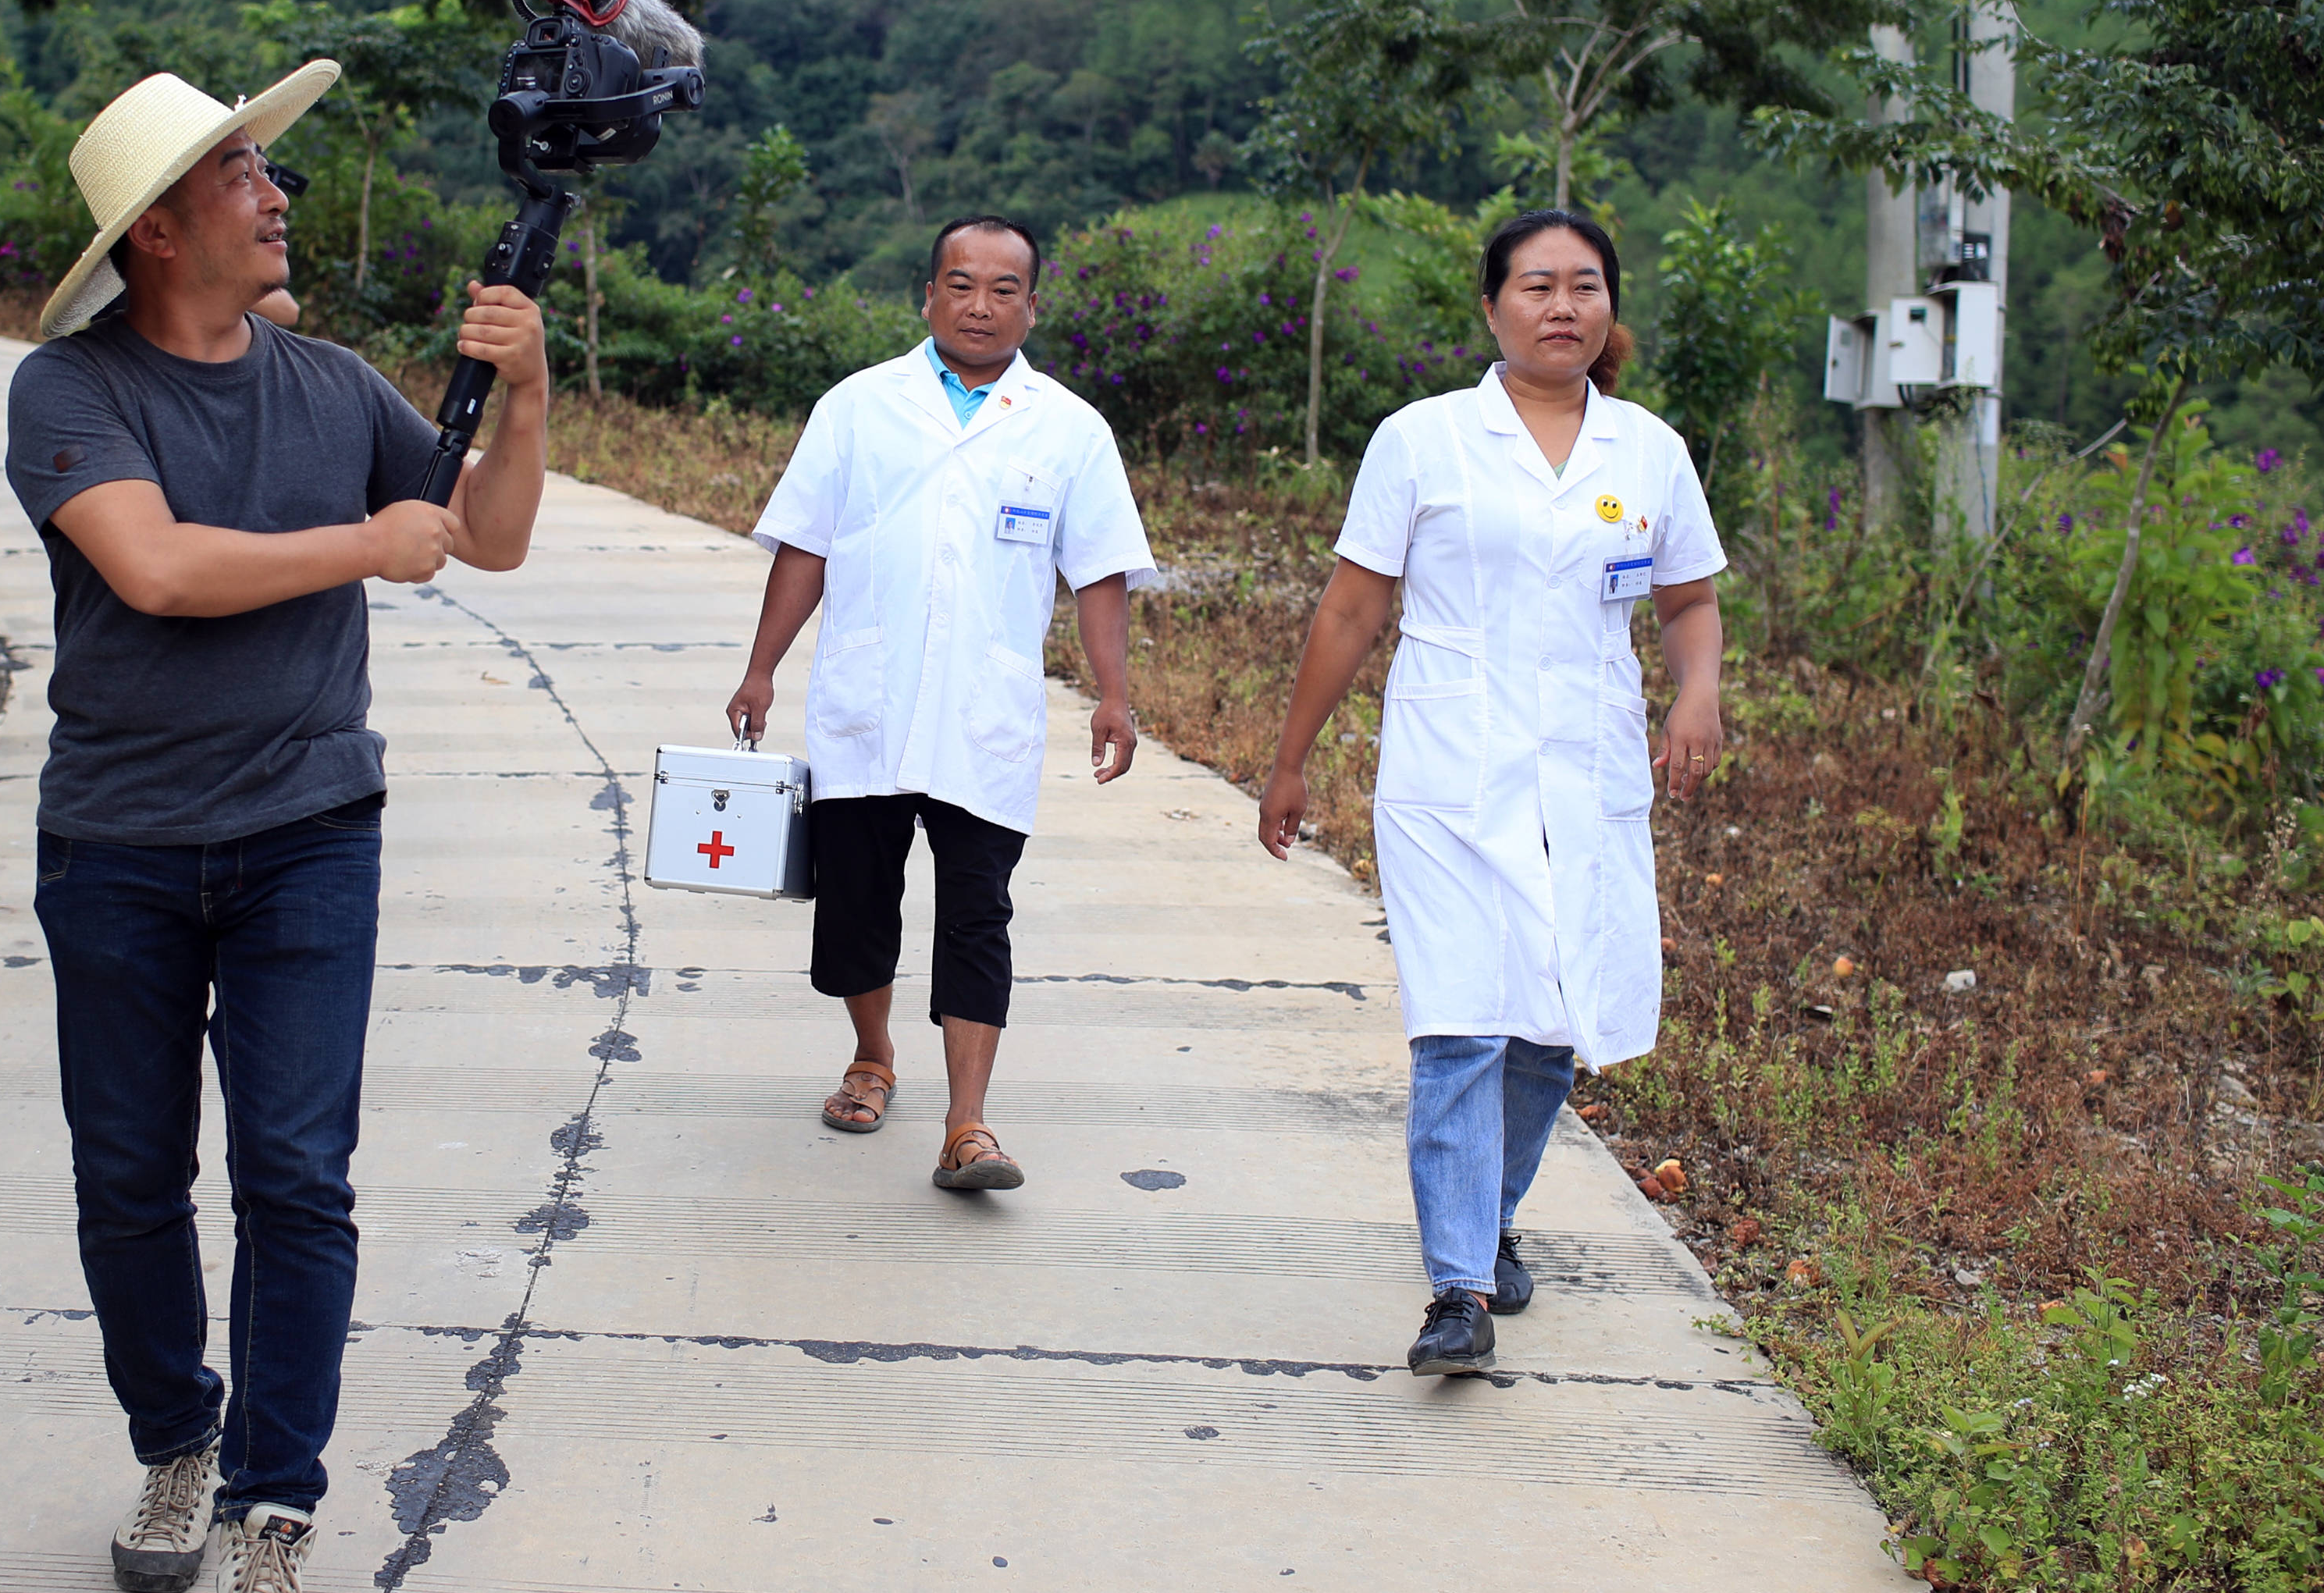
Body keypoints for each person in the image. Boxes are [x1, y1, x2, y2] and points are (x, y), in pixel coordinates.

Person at [4, 66, 550, 1593]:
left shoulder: (331, 385)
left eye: (265, 162)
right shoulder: (69, 392)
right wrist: (363, 548)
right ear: (158, 229)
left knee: (299, 1177)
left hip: (310, 830)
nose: (275, 187)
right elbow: (158, 567)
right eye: (240, 170)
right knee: (128, 1175)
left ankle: (271, 1516)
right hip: (119, 839)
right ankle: (176, 1435)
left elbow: (487, 536)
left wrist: (522, 399)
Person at [1253, 209, 1724, 1377]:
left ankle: (1493, 1212)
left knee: (1550, 1026)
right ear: (1491, 306)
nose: (1562, 307)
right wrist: (1292, 757)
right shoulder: (1424, 439)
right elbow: (1355, 607)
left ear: (1611, 305)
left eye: (1585, 287)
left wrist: (1697, 695)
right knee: (1461, 1018)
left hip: (1590, 769)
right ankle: (1457, 1286)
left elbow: (1686, 601)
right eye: (1536, 287)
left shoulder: (1650, 451)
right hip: (1448, 775)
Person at [726, 215, 1156, 1190]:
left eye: (1005, 288)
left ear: (1032, 306)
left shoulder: (1069, 426)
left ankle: (969, 1125)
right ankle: (873, 1055)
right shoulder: (858, 406)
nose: (981, 303)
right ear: (928, 296)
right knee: (856, 911)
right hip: (865, 707)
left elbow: (1098, 573)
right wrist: (763, 668)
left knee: (976, 916)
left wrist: (1115, 697)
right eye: (961, 284)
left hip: (984, 717)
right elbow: (806, 543)